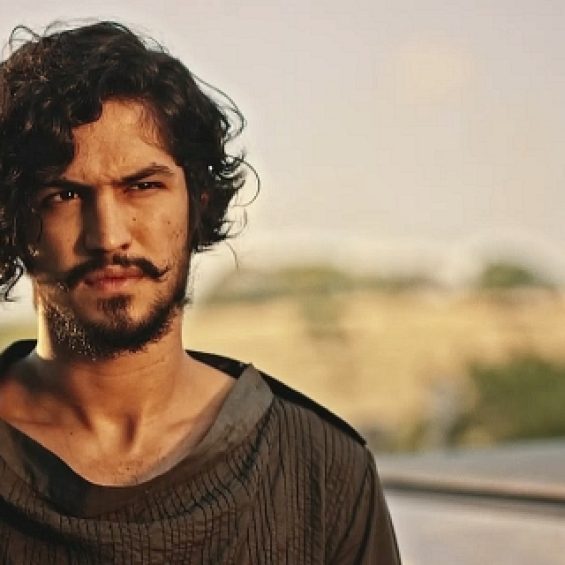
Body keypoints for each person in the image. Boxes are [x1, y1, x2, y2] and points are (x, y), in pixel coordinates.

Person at [0, 21, 401, 564]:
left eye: (143, 186)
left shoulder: (321, 470)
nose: (109, 236)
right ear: (13, 222)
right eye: (64, 195)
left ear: (198, 203)